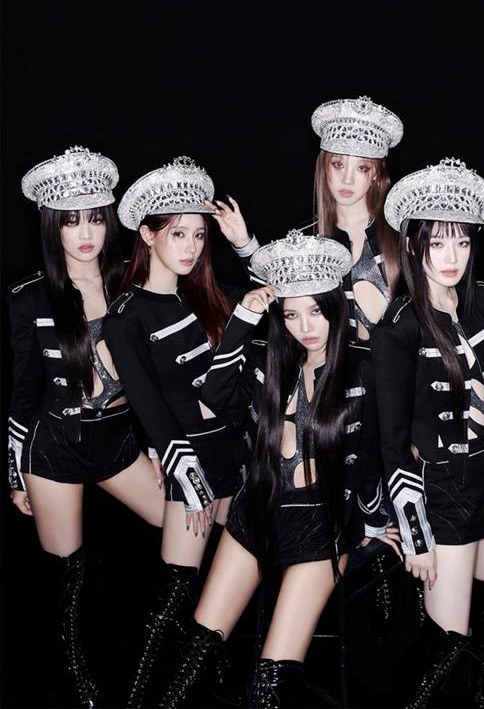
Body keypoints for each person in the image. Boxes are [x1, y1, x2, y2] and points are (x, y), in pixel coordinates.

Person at [155, 230, 400, 708]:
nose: (305, 326)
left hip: (320, 527)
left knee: (269, 686)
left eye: (316, 311)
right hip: (256, 513)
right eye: (291, 314)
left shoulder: (366, 367)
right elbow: (213, 396)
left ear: (335, 307)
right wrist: (244, 318)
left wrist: (374, 518)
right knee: (194, 658)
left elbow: (379, 451)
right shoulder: (271, 364)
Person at [371, 158, 484, 708]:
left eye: (462, 242)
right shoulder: (398, 328)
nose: (451, 257)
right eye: (438, 242)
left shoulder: (482, 301)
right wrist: (416, 534)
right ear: (414, 244)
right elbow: (392, 444)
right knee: (447, 644)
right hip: (445, 492)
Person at [7, 146, 166, 708]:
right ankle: (77, 685)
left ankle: (163, 652)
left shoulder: (133, 284)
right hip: (54, 450)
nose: (85, 233)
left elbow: (159, 379)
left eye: (95, 219)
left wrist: (162, 448)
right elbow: (22, 394)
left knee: (183, 524)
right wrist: (15, 474)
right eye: (71, 221)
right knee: (66, 575)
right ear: (53, 226)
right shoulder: (29, 298)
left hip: (118, 443)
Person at [103, 156, 258, 707]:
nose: (191, 247)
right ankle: (142, 697)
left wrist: (245, 246)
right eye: (177, 234)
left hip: (238, 457)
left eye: (198, 234)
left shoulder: (201, 294)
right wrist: (184, 472)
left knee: (228, 587)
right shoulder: (127, 315)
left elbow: (285, 298)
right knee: (175, 591)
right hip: (193, 463)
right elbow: (149, 406)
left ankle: (205, 686)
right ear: (148, 235)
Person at [311, 95, 403, 341]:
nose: (347, 179)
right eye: (338, 165)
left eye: (362, 168)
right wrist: (244, 245)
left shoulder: (402, 236)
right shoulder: (307, 239)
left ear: (376, 175)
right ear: (324, 167)